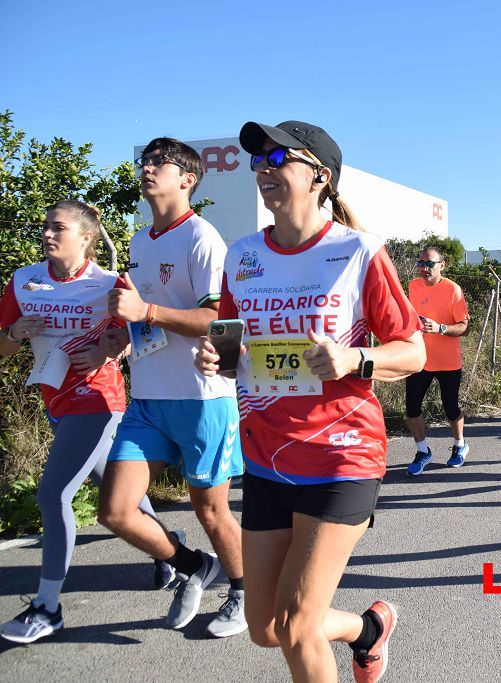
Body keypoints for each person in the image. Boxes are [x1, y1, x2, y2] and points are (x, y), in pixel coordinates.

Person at [197, 120, 424, 682]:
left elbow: (414, 350)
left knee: (298, 624)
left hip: (341, 453)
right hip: (267, 455)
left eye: (279, 157)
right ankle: (367, 630)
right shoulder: (243, 257)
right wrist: (219, 358)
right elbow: (235, 340)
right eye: (258, 160)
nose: (264, 167)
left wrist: (355, 360)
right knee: (265, 628)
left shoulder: (359, 252)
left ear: (320, 176)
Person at [97, 138, 246, 638]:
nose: (147, 168)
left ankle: (243, 590)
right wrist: (121, 335)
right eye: (145, 161)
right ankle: (193, 564)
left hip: (203, 398)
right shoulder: (140, 241)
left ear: (188, 179)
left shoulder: (203, 238)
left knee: (211, 509)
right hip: (149, 399)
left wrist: (148, 313)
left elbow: (219, 320)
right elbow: (145, 322)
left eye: (160, 163)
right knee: (115, 511)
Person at [0, 201, 168, 644]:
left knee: (53, 492)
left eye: (59, 227)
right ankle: (170, 548)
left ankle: (47, 606)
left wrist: (110, 351)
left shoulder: (110, 284)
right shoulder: (23, 280)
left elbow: (143, 335)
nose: (48, 234)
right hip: (54, 400)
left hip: (99, 400)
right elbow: (2, 347)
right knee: (114, 485)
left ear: (87, 237)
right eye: (45, 226)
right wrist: (15, 334)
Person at [404, 247, 471, 475]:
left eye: (429, 264)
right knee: (411, 408)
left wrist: (440, 328)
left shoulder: (453, 289)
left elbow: (464, 327)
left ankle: (459, 444)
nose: (424, 268)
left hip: (448, 361)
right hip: (420, 358)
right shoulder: (413, 286)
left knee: (450, 408)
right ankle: (423, 451)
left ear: (442, 265)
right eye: (420, 263)